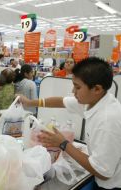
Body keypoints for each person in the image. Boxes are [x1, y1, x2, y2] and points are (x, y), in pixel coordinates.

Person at [18, 57, 121, 190]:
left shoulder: (107, 121)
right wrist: (31, 102)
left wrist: (63, 143)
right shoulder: (95, 100)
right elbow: (61, 101)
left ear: (96, 89)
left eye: (77, 87)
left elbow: (103, 172)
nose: (73, 91)